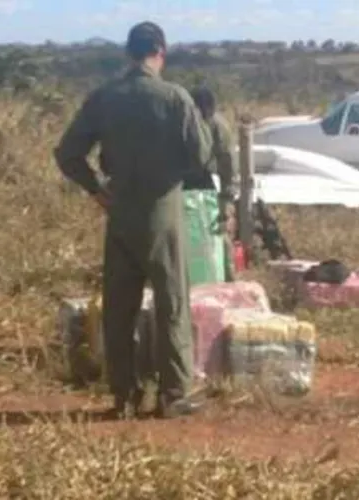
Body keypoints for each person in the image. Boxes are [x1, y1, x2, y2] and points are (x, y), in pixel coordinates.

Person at [53, 21, 213, 419]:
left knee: (120, 307)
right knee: (171, 301)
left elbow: (68, 153)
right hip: (163, 211)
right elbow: (201, 156)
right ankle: (173, 394)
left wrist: (96, 188)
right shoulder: (176, 98)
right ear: (160, 51)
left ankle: (124, 395)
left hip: (119, 209)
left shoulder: (105, 98)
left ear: (128, 53)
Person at [189, 85, 239, 281]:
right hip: (181, 185)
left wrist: (227, 199)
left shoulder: (218, 126)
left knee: (218, 233)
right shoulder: (180, 123)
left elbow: (228, 163)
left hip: (205, 183)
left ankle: (228, 280)